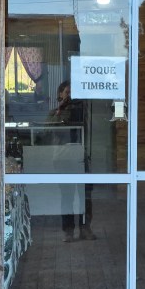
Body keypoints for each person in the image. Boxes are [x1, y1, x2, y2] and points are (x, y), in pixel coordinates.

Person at [51, 81, 95, 242]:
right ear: (60, 94)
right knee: (67, 196)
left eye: (72, 93)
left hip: (81, 157)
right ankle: (68, 231)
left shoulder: (82, 110)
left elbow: (88, 127)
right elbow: (49, 131)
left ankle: (85, 228)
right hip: (63, 159)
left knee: (86, 196)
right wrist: (60, 110)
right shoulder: (54, 112)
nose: (69, 96)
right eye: (67, 92)